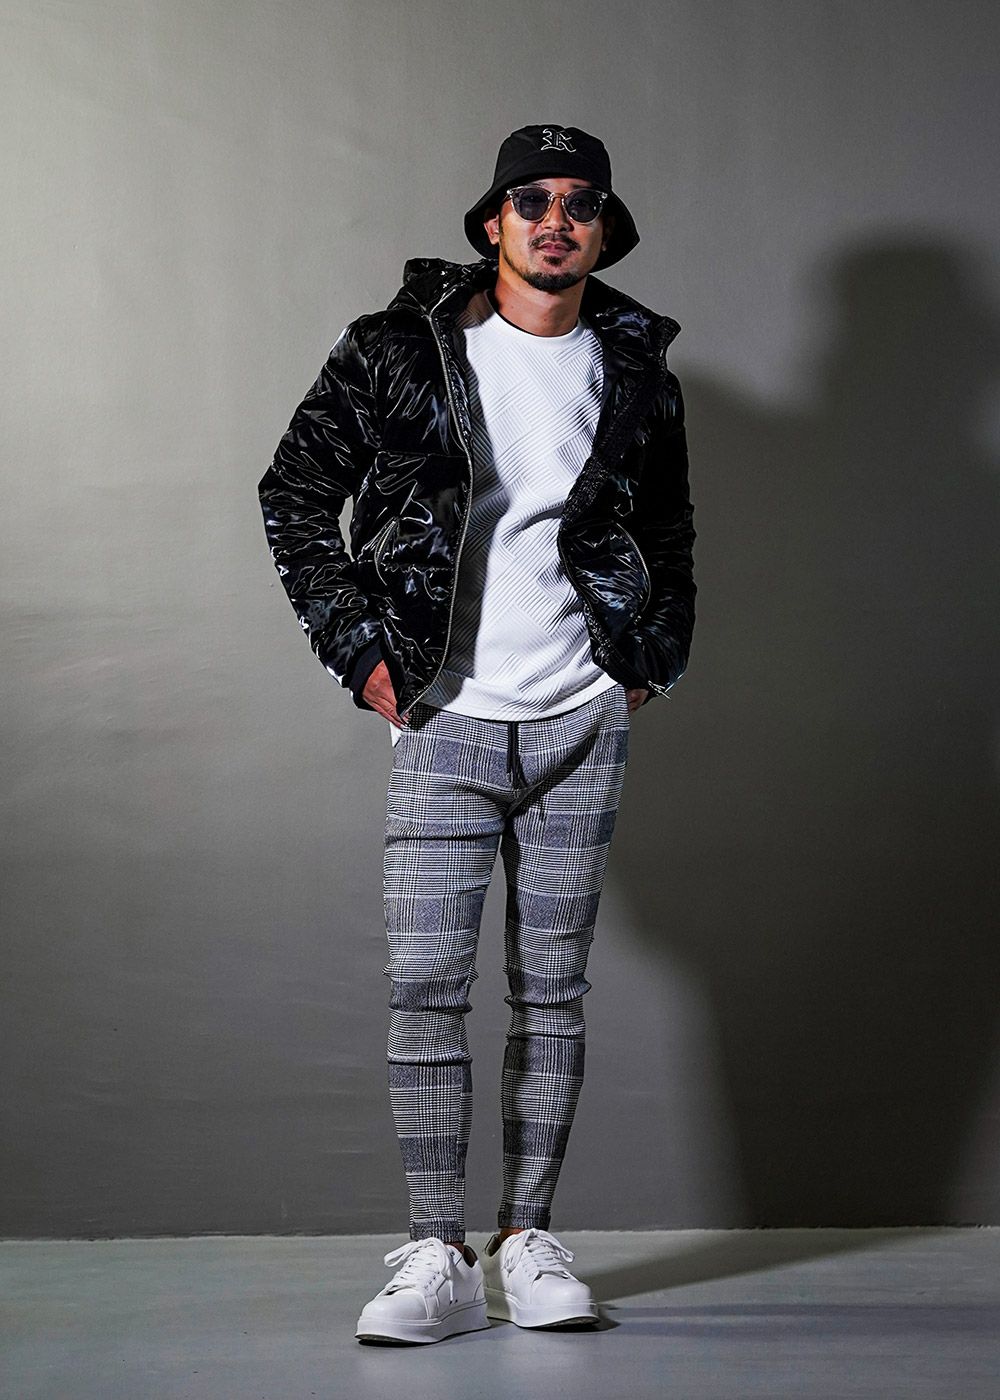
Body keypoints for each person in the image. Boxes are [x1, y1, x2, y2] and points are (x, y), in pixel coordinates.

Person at [257, 123, 696, 1345]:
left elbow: (668, 528)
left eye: (580, 202)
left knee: (553, 991)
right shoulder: (397, 349)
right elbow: (296, 492)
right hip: (443, 715)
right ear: (492, 222)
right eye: (532, 199)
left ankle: (527, 1239)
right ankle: (436, 1251)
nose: (557, 220)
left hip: (578, 719)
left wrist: (646, 660)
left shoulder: (635, 365)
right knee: (426, 990)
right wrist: (359, 650)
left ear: (603, 228)